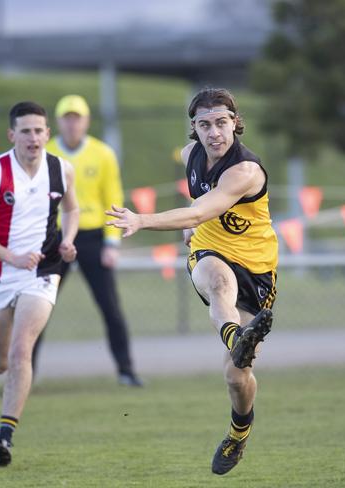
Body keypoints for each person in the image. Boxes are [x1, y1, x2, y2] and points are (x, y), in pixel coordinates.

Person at [106, 87, 278, 475]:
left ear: (235, 122)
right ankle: (237, 338)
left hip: (258, 267)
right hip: (209, 252)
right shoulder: (190, 155)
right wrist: (190, 227)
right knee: (218, 282)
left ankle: (238, 433)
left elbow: (203, 207)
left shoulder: (245, 171)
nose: (214, 132)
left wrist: (143, 219)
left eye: (221, 122)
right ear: (194, 128)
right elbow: (198, 205)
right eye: (205, 124)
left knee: (237, 378)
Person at [0, 101, 80, 467]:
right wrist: (9, 256)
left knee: (20, 349)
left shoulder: (61, 169)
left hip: (43, 271)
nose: (33, 137)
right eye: (25, 131)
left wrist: (68, 239)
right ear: (12, 135)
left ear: (48, 133)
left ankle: (4, 437)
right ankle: (6, 420)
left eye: (39, 130)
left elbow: (73, 209)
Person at [31, 94, 143, 387]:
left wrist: (112, 243)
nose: (72, 123)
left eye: (76, 117)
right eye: (67, 118)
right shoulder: (46, 152)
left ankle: (126, 370)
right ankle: (25, 371)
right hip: (54, 237)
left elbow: (113, 196)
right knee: (38, 306)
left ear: (86, 121)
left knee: (110, 307)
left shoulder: (102, 153)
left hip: (92, 236)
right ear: (57, 123)